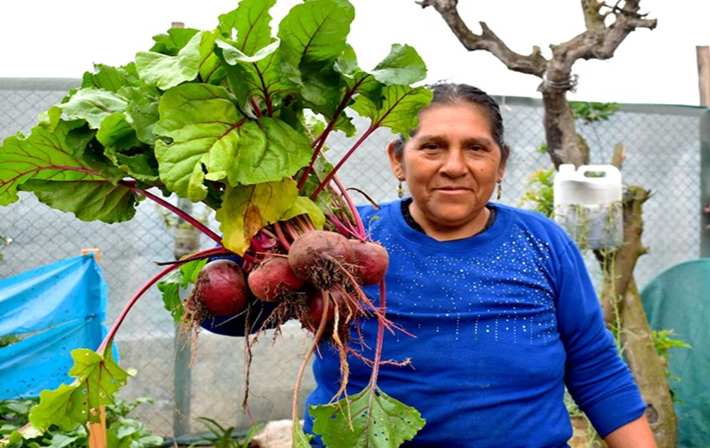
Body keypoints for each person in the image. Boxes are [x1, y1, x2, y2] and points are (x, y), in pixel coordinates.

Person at [206, 82, 655, 447]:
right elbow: (228, 318)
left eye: (476, 149)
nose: (454, 166)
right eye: (433, 148)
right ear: (397, 160)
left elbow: (594, 367)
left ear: (501, 165)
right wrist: (241, 265)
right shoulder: (340, 238)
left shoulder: (540, 242)